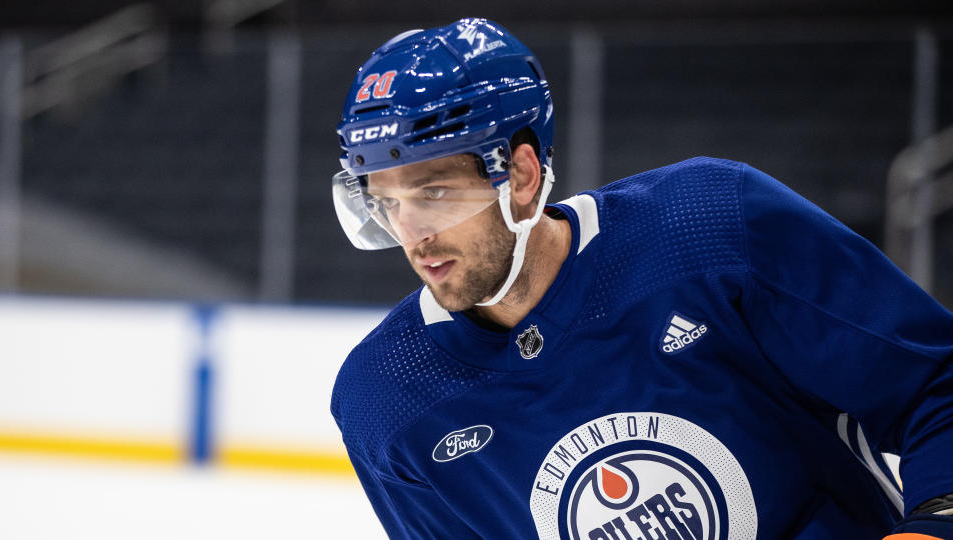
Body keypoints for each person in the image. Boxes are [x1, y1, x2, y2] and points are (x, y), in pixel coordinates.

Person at [329, 17, 953, 539]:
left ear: (519, 175)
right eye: (385, 202)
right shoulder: (385, 399)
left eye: (434, 192)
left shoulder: (711, 225)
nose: (412, 234)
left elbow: (936, 385)